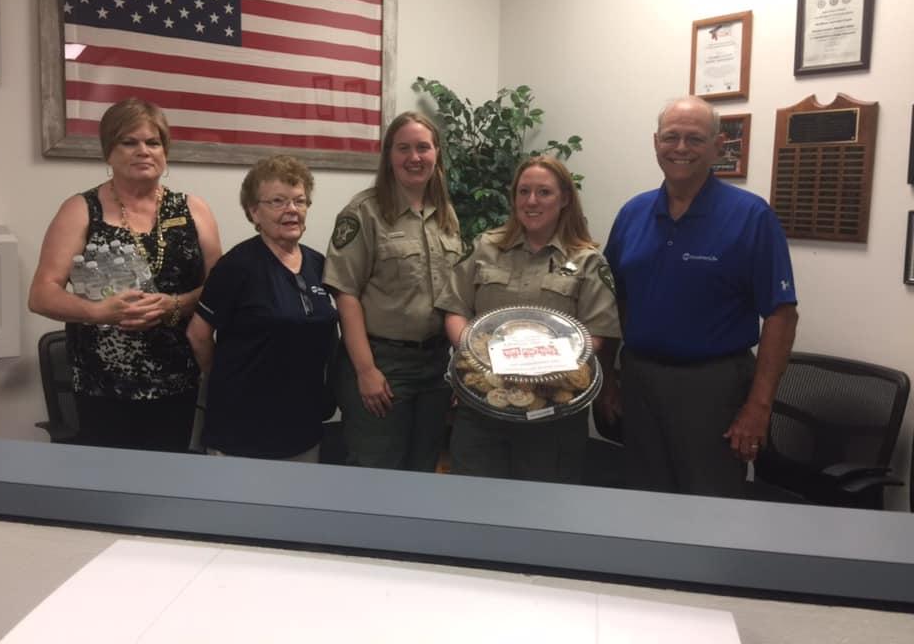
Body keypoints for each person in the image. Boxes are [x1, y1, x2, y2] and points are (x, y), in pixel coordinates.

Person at [603, 96, 799, 498]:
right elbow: (611, 302)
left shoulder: (750, 216)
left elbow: (781, 315)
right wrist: (607, 379)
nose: (680, 148)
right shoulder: (632, 213)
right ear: (655, 142)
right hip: (640, 378)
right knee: (643, 495)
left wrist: (759, 407)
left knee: (709, 502)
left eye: (694, 139)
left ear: (718, 146)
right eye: (671, 137)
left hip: (713, 387)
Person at [29, 98, 222, 452]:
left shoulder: (194, 209)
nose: (143, 151)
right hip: (102, 384)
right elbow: (42, 293)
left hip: (176, 379)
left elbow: (219, 289)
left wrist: (176, 304)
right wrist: (99, 312)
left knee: (166, 481)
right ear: (109, 151)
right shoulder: (81, 209)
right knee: (108, 488)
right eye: (129, 142)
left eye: (153, 142)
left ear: (165, 151)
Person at [436, 155, 621, 483]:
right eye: (523, 192)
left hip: (551, 413)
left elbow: (596, 334)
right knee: (473, 503)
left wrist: (538, 367)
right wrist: (478, 359)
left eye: (544, 192)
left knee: (544, 509)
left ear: (565, 198)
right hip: (482, 408)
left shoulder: (588, 260)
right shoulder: (485, 247)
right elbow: (455, 309)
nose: (531, 201)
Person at [323, 111, 465, 471]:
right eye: (403, 148)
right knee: (377, 471)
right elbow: (346, 294)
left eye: (423, 148)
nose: (414, 158)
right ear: (389, 156)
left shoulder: (445, 214)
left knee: (423, 468)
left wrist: (461, 367)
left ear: (437, 154)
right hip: (382, 362)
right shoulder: (364, 212)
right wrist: (366, 370)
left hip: (435, 366)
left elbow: (454, 297)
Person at [186, 156, 338, 462]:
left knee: (299, 506)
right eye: (278, 201)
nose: (291, 210)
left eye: (299, 201)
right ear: (254, 211)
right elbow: (198, 335)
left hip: (302, 422)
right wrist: (228, 381)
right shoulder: (236, 267)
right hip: (243, 426)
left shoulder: (318, 264)